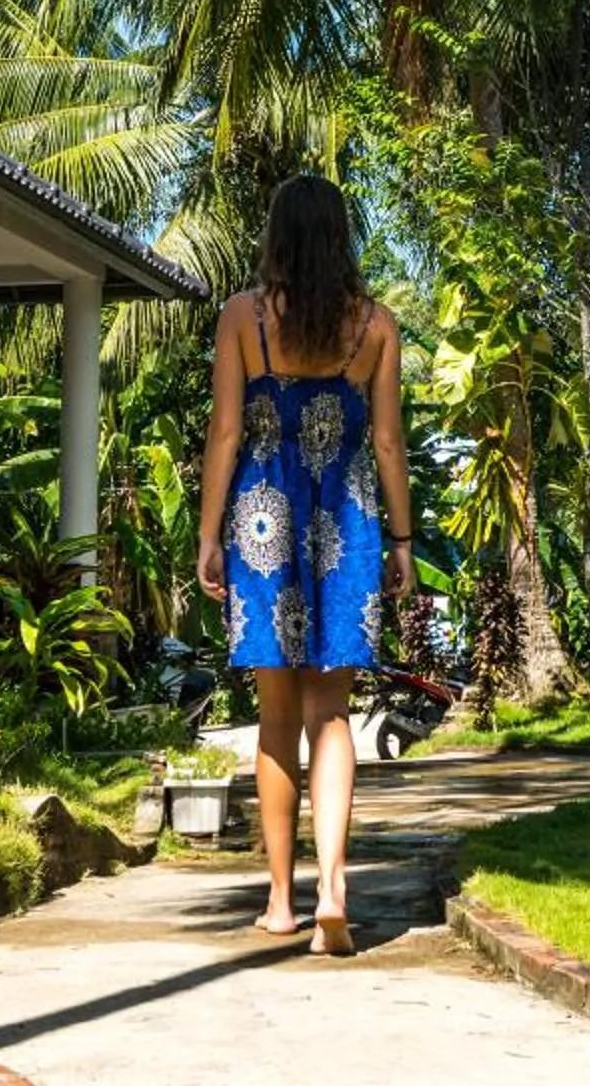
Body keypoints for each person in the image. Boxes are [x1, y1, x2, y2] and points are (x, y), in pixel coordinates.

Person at [196, 173, 413, 956]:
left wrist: (208, 534)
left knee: (277, 716)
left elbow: (225, 433)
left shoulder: (244, 318)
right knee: (332, 715)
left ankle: (283, 904)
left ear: (276, 237)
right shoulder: (376, 327)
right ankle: (337, 889)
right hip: (347, 526)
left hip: (264, 520)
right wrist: (403, 546)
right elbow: (388, 444)